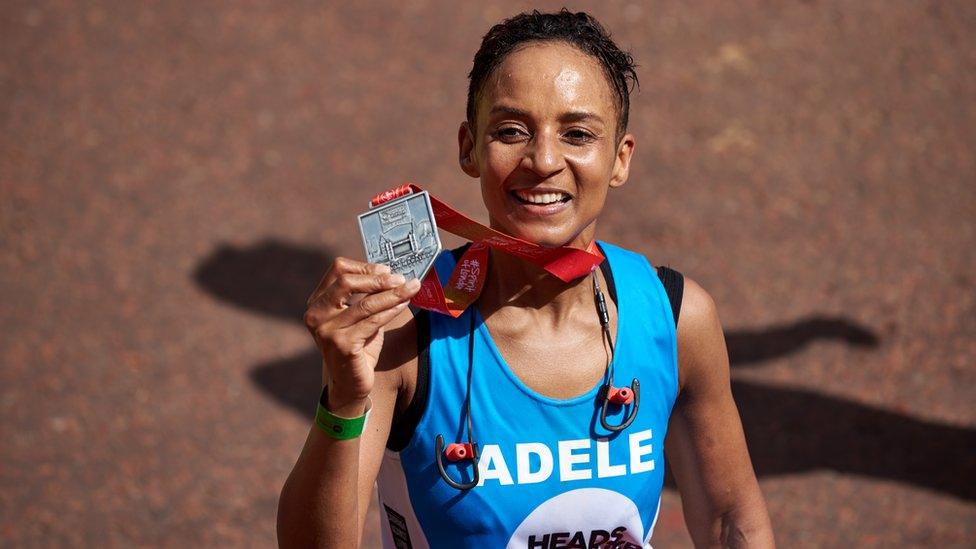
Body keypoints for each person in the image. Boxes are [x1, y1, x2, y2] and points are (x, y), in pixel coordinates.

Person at [278, 9, 774, 548]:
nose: (542, 160)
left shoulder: (675, 318)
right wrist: (342, 405)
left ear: (620, 159)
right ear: (469, 148)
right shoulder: (405, 332)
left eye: (578, 133)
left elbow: (730, 519)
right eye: (511, 130)